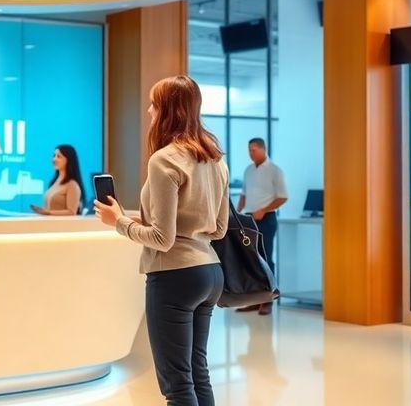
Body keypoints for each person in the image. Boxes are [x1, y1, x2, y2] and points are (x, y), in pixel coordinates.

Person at [94, 75, 229, 406]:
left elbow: (162, 240)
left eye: (154, 104)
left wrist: (119, 222)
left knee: (177, 384)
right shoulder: (215, 159)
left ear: (168, 110)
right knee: (198, 374)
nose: (150, 111)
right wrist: (144, 220)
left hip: (174, 277)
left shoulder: (164, 159)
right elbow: (218, 229)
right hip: (210, 273)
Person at [236, 137, 287, 316]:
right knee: (250, 260)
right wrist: (237, 212)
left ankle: (267, 301)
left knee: (265, 259)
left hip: (266, 219)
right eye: (249, 150)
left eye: (254, 150)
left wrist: (264, 210)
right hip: (248, 220)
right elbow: (243, 194)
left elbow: (283, 197)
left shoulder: (275, 170)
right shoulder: (248, 170)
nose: (251, 153)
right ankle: (253, 300)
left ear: (263, 149)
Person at [31, 144, 85, 216]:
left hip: (62, 226)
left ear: (68, 160)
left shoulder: (72, 185)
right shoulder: (53, 182)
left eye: (59, 156)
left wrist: (47, 212)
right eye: (54, 156)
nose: (54, 159)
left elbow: (72, 212)